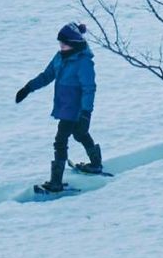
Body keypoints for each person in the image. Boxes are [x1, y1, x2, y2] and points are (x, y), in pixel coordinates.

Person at [15, 21, 101, 192]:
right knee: (80, 133)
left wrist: (86, 113)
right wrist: (28, 88)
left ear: (74, 43)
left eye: (64, 43)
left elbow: (89, 88)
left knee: (60, 141)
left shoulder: (83, 62)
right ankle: (96, 164)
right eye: (60, 42)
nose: (61, 45)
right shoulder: (59, 57)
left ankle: (56, 182)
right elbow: (47, 76)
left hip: (75, 108)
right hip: (64, 106)